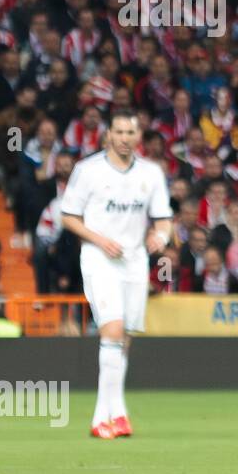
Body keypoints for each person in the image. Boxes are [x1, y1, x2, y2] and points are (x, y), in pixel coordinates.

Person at [59, 110, 173, 439]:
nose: (124, 138)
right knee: (113, 328)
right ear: (108, 135)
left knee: (124, 340)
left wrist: (160, 238)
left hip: (135, 262)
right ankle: (100, 418)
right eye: (119, 132)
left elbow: (164, 219)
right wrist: (99, 240)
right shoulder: (88, 170)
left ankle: (118, 414)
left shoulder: (151, 173)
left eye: (130, 132)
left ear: (139, 137)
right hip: (98, 259)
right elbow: (68, 216)